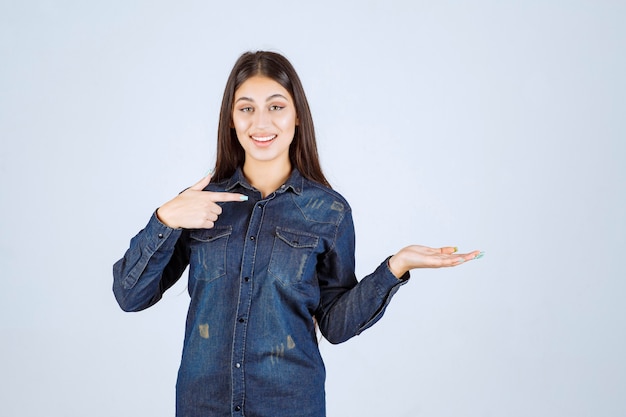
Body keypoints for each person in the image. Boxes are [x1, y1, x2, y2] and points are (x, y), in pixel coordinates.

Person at [113, 50, 482, 417]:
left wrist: (396, 267)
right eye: (246, 108)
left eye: (276, 106)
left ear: (297, 116)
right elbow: (130, 297)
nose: (261, 122)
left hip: (289, 405)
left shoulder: (329, 212)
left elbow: (335, 325)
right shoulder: (198, 205)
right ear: (230, 119)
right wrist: (165, 218)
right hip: (202, 406)